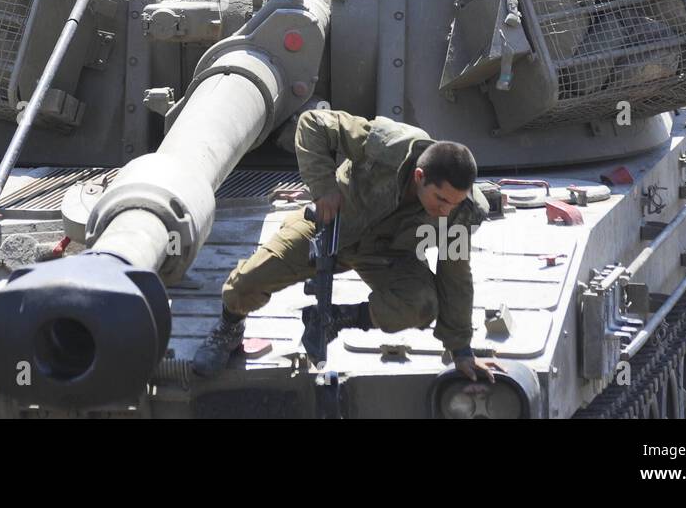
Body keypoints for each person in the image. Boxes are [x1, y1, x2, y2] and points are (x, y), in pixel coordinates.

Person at [192, 108, 505, 383]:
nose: (446, 210)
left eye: (454, 203)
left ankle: (335, 318)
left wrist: (461, 350)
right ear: (420, 176)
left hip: (387, 254)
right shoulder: (387, 146)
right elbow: (314, 123)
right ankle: (229, 330)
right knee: (247, 283)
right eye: (441, 199)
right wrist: (324, 189)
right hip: (330, 227)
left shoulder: (459, 213)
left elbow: (455, 276)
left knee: (421, 304)